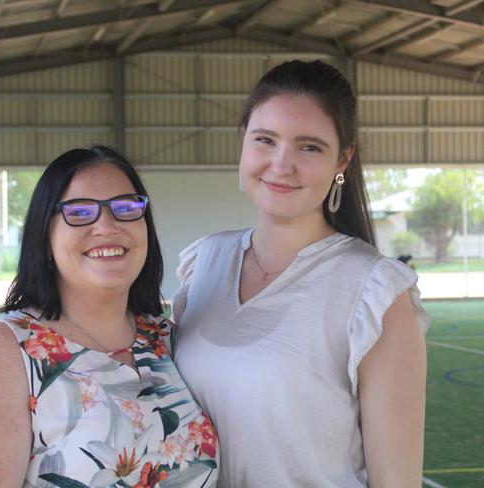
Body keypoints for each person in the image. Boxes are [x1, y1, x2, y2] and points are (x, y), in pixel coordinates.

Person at [172, 60, 430, 487]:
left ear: (342, 159)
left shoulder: (374, 292)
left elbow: (396, 481)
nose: (281, 163)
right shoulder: (204, 263)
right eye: (265, 140)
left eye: (308, 147)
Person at [0, 146, 219, 487]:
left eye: (126, 208)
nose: (107, 225)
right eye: (79, 212)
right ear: (45, 238)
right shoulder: (4, 353)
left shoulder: (169, 340)